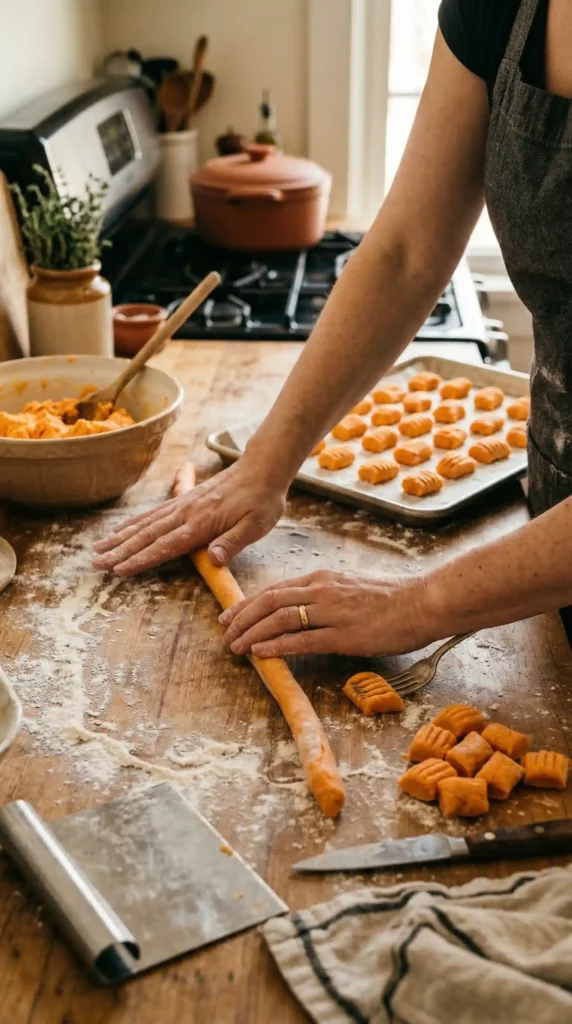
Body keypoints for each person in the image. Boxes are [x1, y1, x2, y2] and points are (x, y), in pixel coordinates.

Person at [94, 0, 572, 660]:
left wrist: (418, 602)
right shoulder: (501, 9)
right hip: (549, 524)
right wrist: (264, 465)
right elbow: (406, 252)